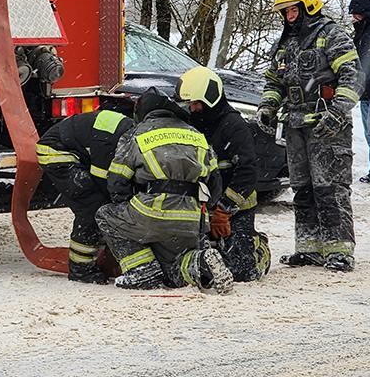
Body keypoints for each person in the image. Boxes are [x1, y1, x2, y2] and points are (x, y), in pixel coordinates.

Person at [256, 0, 360, 272]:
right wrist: (267, 105)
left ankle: (339, 249)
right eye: (285, 12)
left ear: (307, 6)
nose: (288, 16)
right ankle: (309, 247)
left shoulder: (332, 35)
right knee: (302, 189)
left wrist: (338, 111)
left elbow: (353, 77)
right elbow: (274, 80)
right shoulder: (284, 44)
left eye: (292, 10)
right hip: (295, 125)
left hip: (328, 126)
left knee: (331, 187)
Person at [96, 88, 233, 293]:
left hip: (151, 210)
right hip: (193, 218)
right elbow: (215, 185)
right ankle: (201, 261)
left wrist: (129, 205)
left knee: (106, 215)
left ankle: (141, 269)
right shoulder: (196, 135)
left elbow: (117, 183)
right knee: (174, 268)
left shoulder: (136, 134)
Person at [177, 66, 271, 282]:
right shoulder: (192, 124)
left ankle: (259, 248)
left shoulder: (234, 126)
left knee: (241, 271)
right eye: (189, 104)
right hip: (202, 206)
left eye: (196, 103)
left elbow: (247, 172)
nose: (192, 109)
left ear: (210, 99)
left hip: (235, 207)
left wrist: (225, 209)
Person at [36, 108, 135, 284]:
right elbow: (104, 183)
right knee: (93, 206)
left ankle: (99, 254)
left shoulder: (129, 138)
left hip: (80, 150)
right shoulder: (111, 143)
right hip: (56, 151)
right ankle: (80, 270)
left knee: (105, 206)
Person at [347, 0, 370, 183]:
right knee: (368, 134)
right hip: (365, 92)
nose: (354, 17)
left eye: (357, 13)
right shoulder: (359, 33)